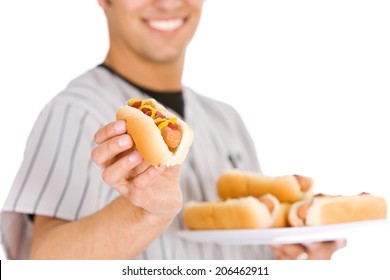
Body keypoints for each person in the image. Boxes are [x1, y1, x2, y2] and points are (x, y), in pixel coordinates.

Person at [1, 0, 345, 260]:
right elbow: (43, 262)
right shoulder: (76, 112)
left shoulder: (227, 119)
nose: (167, 3)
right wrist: (143, 214)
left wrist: (296, 255)